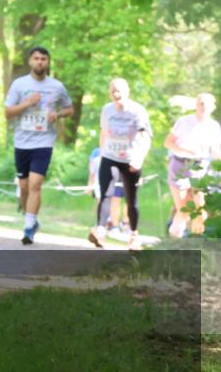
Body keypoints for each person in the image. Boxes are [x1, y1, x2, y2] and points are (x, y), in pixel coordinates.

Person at [3, 47, 74, 245]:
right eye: (36, 58)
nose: (40, 62)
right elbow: (8, 113)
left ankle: (28, 228)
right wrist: (27, 103)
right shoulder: (20, 84)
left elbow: (70, 109)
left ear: (48, 62)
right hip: (22, 141)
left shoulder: (57, 86)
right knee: (24, 186)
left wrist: (57, 115)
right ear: (30, 61)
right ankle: (31, 219)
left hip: (44, 141)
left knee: (35, 184)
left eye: (43, 59)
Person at [88, 78, 152, 251]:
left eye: (120, 91)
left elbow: (146, 138)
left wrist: (139, 158)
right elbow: (104, 133)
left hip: (130, 159)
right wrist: (102, 154)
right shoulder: (106, 110)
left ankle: (134, 236)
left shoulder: (137, 111)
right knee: (106, 193)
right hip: (110, 156)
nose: (116, 94)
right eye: (113, 91)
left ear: (127, 91)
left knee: (131, 200)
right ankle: (100, 231)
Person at [164, 93, 221, 237]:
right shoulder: (184, 122)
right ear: (196, 105)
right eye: (201, 103)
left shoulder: (214, 127)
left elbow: (216, 153)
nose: (203, 107)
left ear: (213, 107)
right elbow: (168, 143)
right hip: (180, 165)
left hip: (200, 167)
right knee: (183, 208)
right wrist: (185, 150)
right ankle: (174, 236)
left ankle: (198, 242)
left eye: (207, 104)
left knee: (201, 208)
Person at [87, 147, 128, 240]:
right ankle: (101, 225)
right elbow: (92, 170)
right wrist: (90, 183)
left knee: (115, 200)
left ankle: (114, 225)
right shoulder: (96, 152)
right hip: (101, 181)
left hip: (116, 179)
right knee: (101, 200)